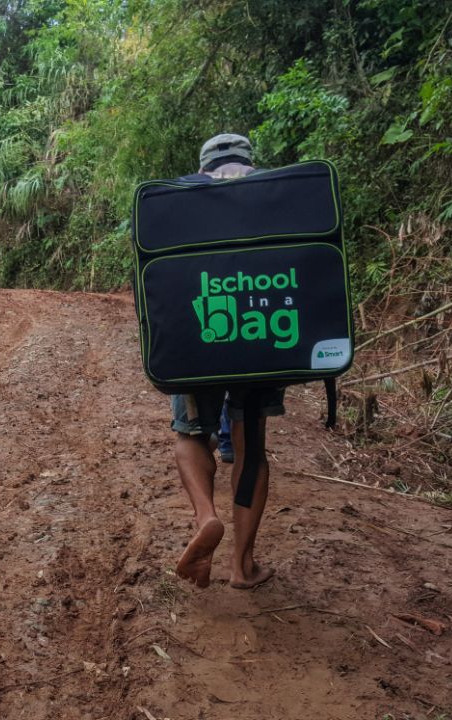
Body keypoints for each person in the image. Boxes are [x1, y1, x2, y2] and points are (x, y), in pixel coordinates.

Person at [171, 133, 283, 590]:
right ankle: (243, 566)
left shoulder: (177, 197)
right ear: (249, 161)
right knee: (250, 443)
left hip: (201, 333)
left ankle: (205, 517)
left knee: (189, 434)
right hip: (263, 333)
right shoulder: (276, 193)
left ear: (203, 166)